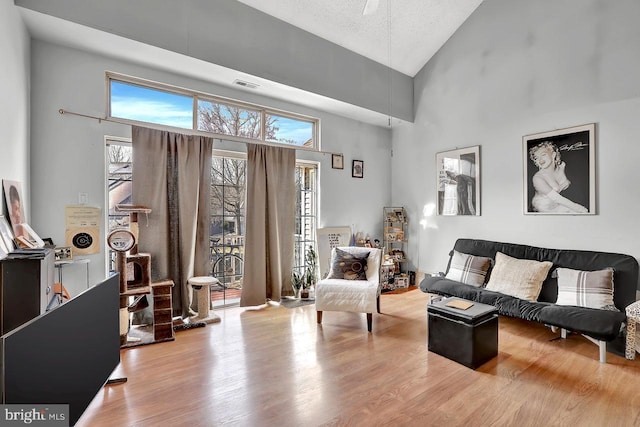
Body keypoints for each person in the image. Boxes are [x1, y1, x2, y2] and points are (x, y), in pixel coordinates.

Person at [529, 141, 588, 213]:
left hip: (558, 205)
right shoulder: (537, 178)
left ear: (553, 155)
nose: (540, 160)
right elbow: (556, 198)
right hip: (542, 209)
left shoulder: (563, 166)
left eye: (543, 154)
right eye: (536, 158)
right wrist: (580, 209)